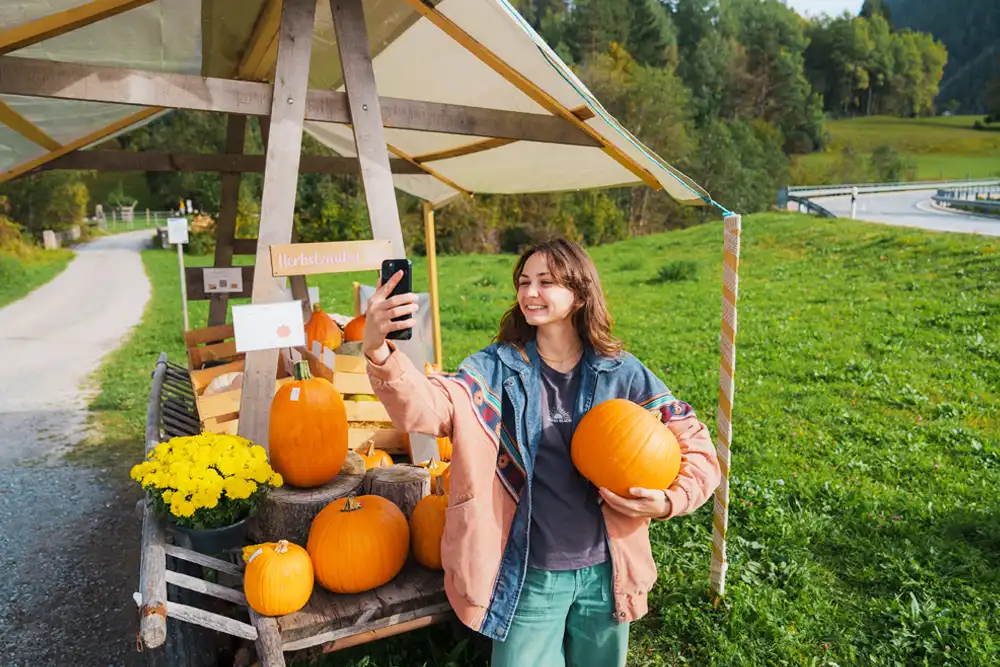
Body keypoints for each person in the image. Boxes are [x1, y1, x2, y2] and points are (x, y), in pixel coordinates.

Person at [362, 237, 721, 667]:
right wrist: (379, 350)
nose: (530, 293)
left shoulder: (621, 373)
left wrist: (668, 500)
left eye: (546, 282)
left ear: (579, 294)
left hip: (608, 573)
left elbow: (694, 441)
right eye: (524, 282)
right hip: (529, 573)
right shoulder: (494, 370)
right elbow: (428, 407)